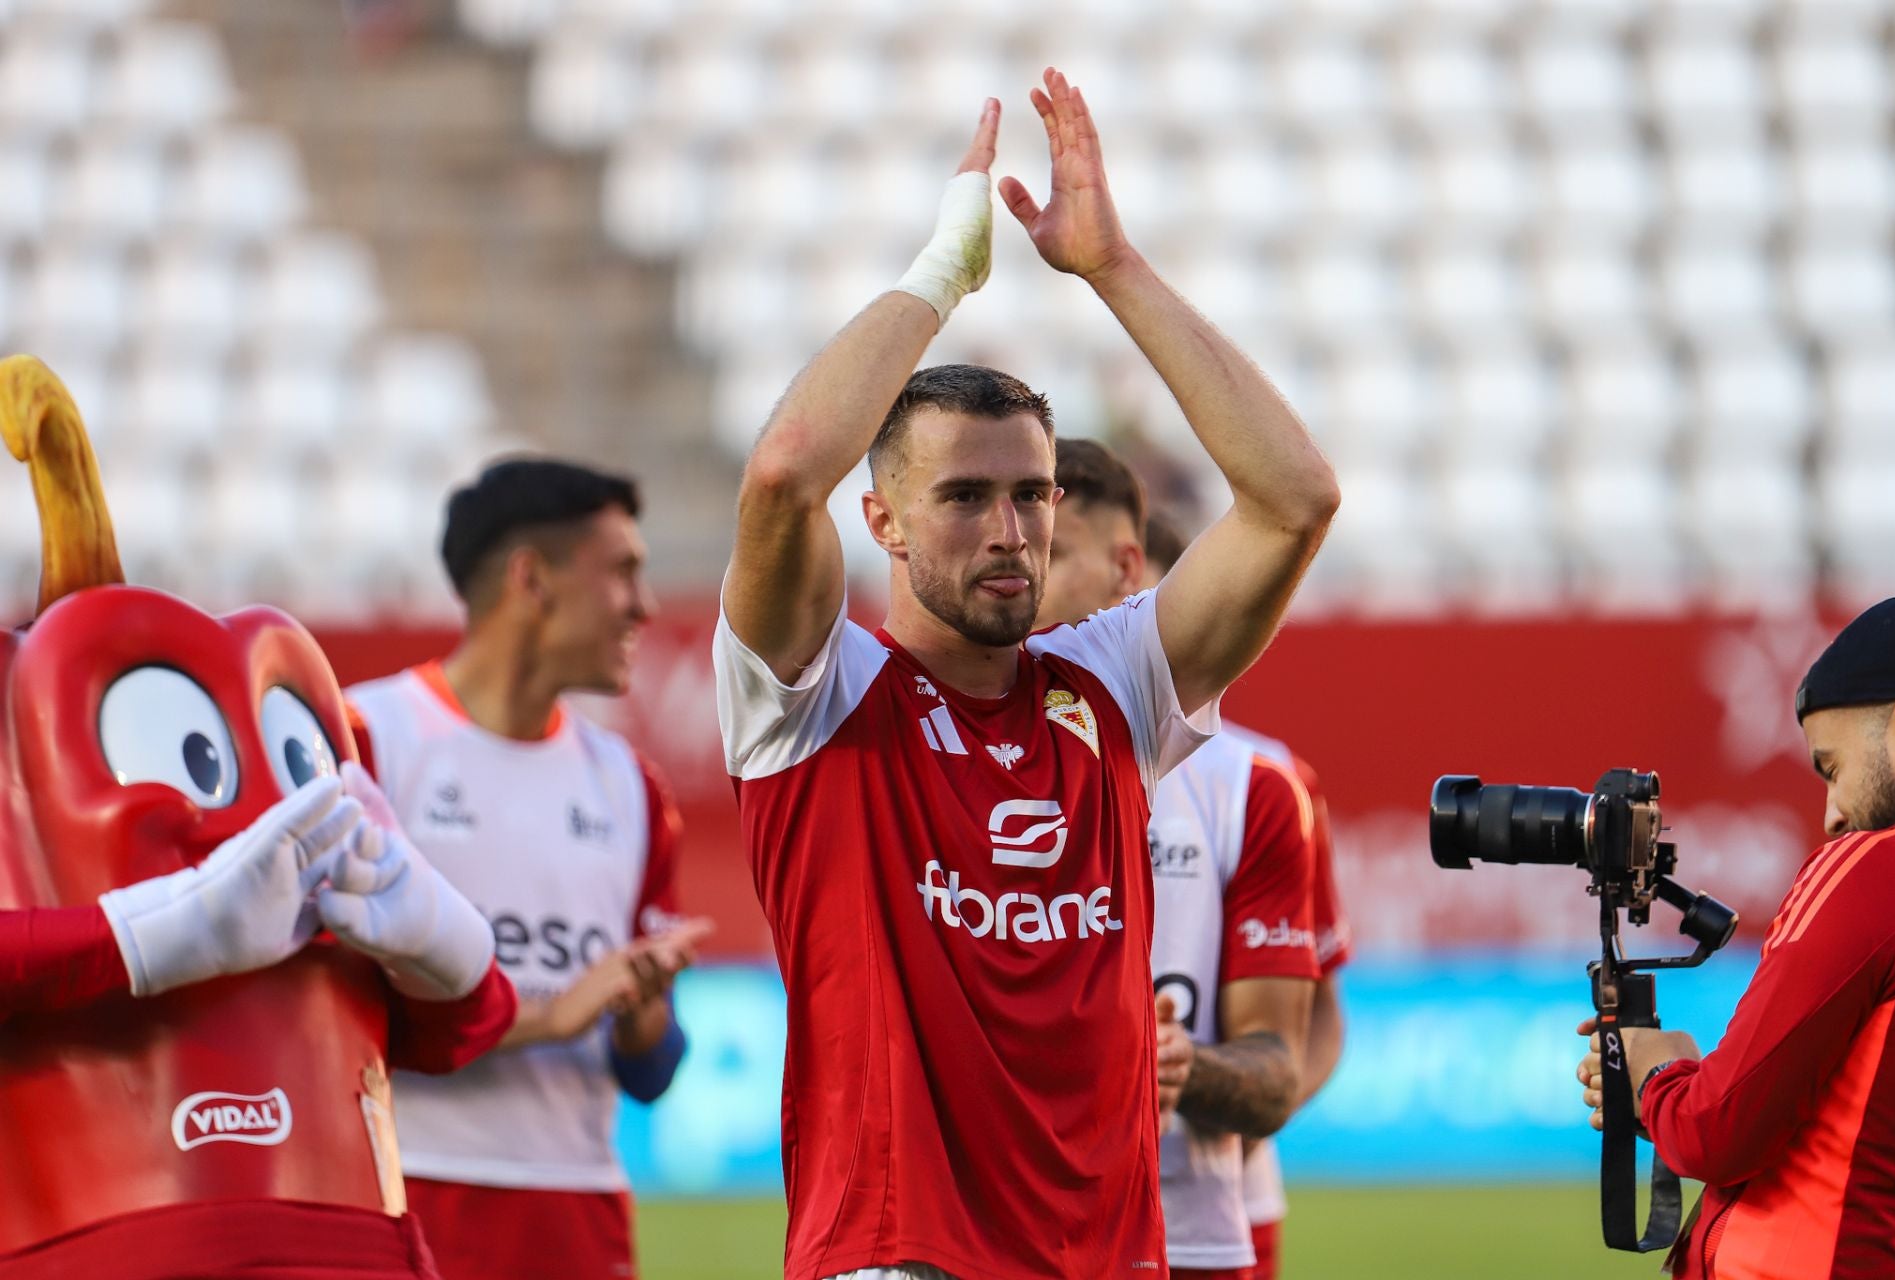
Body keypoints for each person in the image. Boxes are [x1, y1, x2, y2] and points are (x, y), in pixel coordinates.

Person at [714, 69, 1339, 1280]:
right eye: (961, 495)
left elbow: (1296, 498)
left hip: (1112, 1256)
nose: (1010, 531)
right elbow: (785, 471)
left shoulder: (1106, 685)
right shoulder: (810, 694)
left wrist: (1112, 267)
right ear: (882, 521)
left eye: (1030, 493)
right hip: (902, 1256)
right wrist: (943, 275)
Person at [0, 353, 516, 1280]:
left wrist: (445, 943)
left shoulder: (308, 768)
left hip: (363, 1241)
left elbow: (445, 1035)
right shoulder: (20, 734)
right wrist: (162, 933)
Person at [347, 458, 711, 1280]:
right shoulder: (364, 739)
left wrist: (642, 1009)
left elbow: (650, 1071)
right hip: (400, 1196)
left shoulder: (630, 785)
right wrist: (548, 1016)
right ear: (531, 578)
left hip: (577, 1214)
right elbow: (329, 1015)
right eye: (622, 573)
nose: (645, 606)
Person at [1036, 449, 1349, 1280]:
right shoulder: (940, 737)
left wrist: (1227, 1097)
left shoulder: (1257, 784)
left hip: (1200, 1211)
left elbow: (1307, 1027)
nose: (1026, 570)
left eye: (1056, 550)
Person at [1576, 593, 1895, 1278]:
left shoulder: (1879, 870)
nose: (1833, 815)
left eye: (1832, 767)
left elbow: (1719, 1131)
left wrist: (1657, 1070)